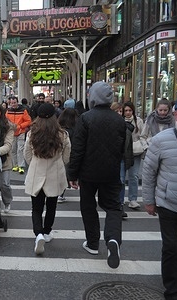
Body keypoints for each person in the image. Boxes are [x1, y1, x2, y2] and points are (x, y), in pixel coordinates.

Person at [68, 81, 126, 269]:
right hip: (111, 172)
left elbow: (78, 149)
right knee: (114, 207)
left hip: (88, 172)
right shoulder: (119, 120)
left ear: (92, 97)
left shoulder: (85, 118)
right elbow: (122, 147)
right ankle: (113, 239)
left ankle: (93, 243)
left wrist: (72, 174)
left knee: (88, 206)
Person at [142, 91, 177, 300]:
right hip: (169, 203)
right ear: (176, 114)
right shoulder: (161, 140)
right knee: (170, 247)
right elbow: (149, 171)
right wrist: (149, 201)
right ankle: (172, 291)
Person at [24, 103, 71, 255]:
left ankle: (38, 234)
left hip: (37, 173)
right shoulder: (62, 134)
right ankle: (46, 232)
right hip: (54, 174)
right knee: (52, 206)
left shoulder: (32, 133)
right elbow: (66, 156)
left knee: (36, 208)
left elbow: (27, 155)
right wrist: (57, 164)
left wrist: (36, 164)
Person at [111, 102, 134, 219]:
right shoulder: (107, 125)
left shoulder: (126, 126)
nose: (119, 114)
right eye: (117, 111)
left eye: (121, 111)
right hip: (109, 157)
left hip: (121, 157)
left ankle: (119, 204)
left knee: (121, 181)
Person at [121, 101, 145, 209]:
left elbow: (142, 135)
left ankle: (133, 199)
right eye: (126, 110)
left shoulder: (138, 121)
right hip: (122, 152)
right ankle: (120, 200)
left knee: (134, 176)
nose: (128, 113)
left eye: (130, 110)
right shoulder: (119, 121)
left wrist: (143, 147)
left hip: (135, 151)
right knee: (121, 178)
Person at [6, 96, 32, 174]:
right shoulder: (8, 111)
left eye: (14, 102)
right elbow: (5, 120)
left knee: (20, 149)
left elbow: (28, 121)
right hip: (12, 132)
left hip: (21, 131)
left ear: (17, 102)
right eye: (12, 103)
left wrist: (20, 126)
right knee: (13, 149)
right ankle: (15, 165)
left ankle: (21, 166)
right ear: (10, 103)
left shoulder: (23, 111)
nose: (13, 104)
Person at [57, 107, 77, 203]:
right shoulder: (74, 128)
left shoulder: (59, 127)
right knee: (65, 172)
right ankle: (61, 192)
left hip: (58, 152)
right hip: (70, 152)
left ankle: (59, 193)